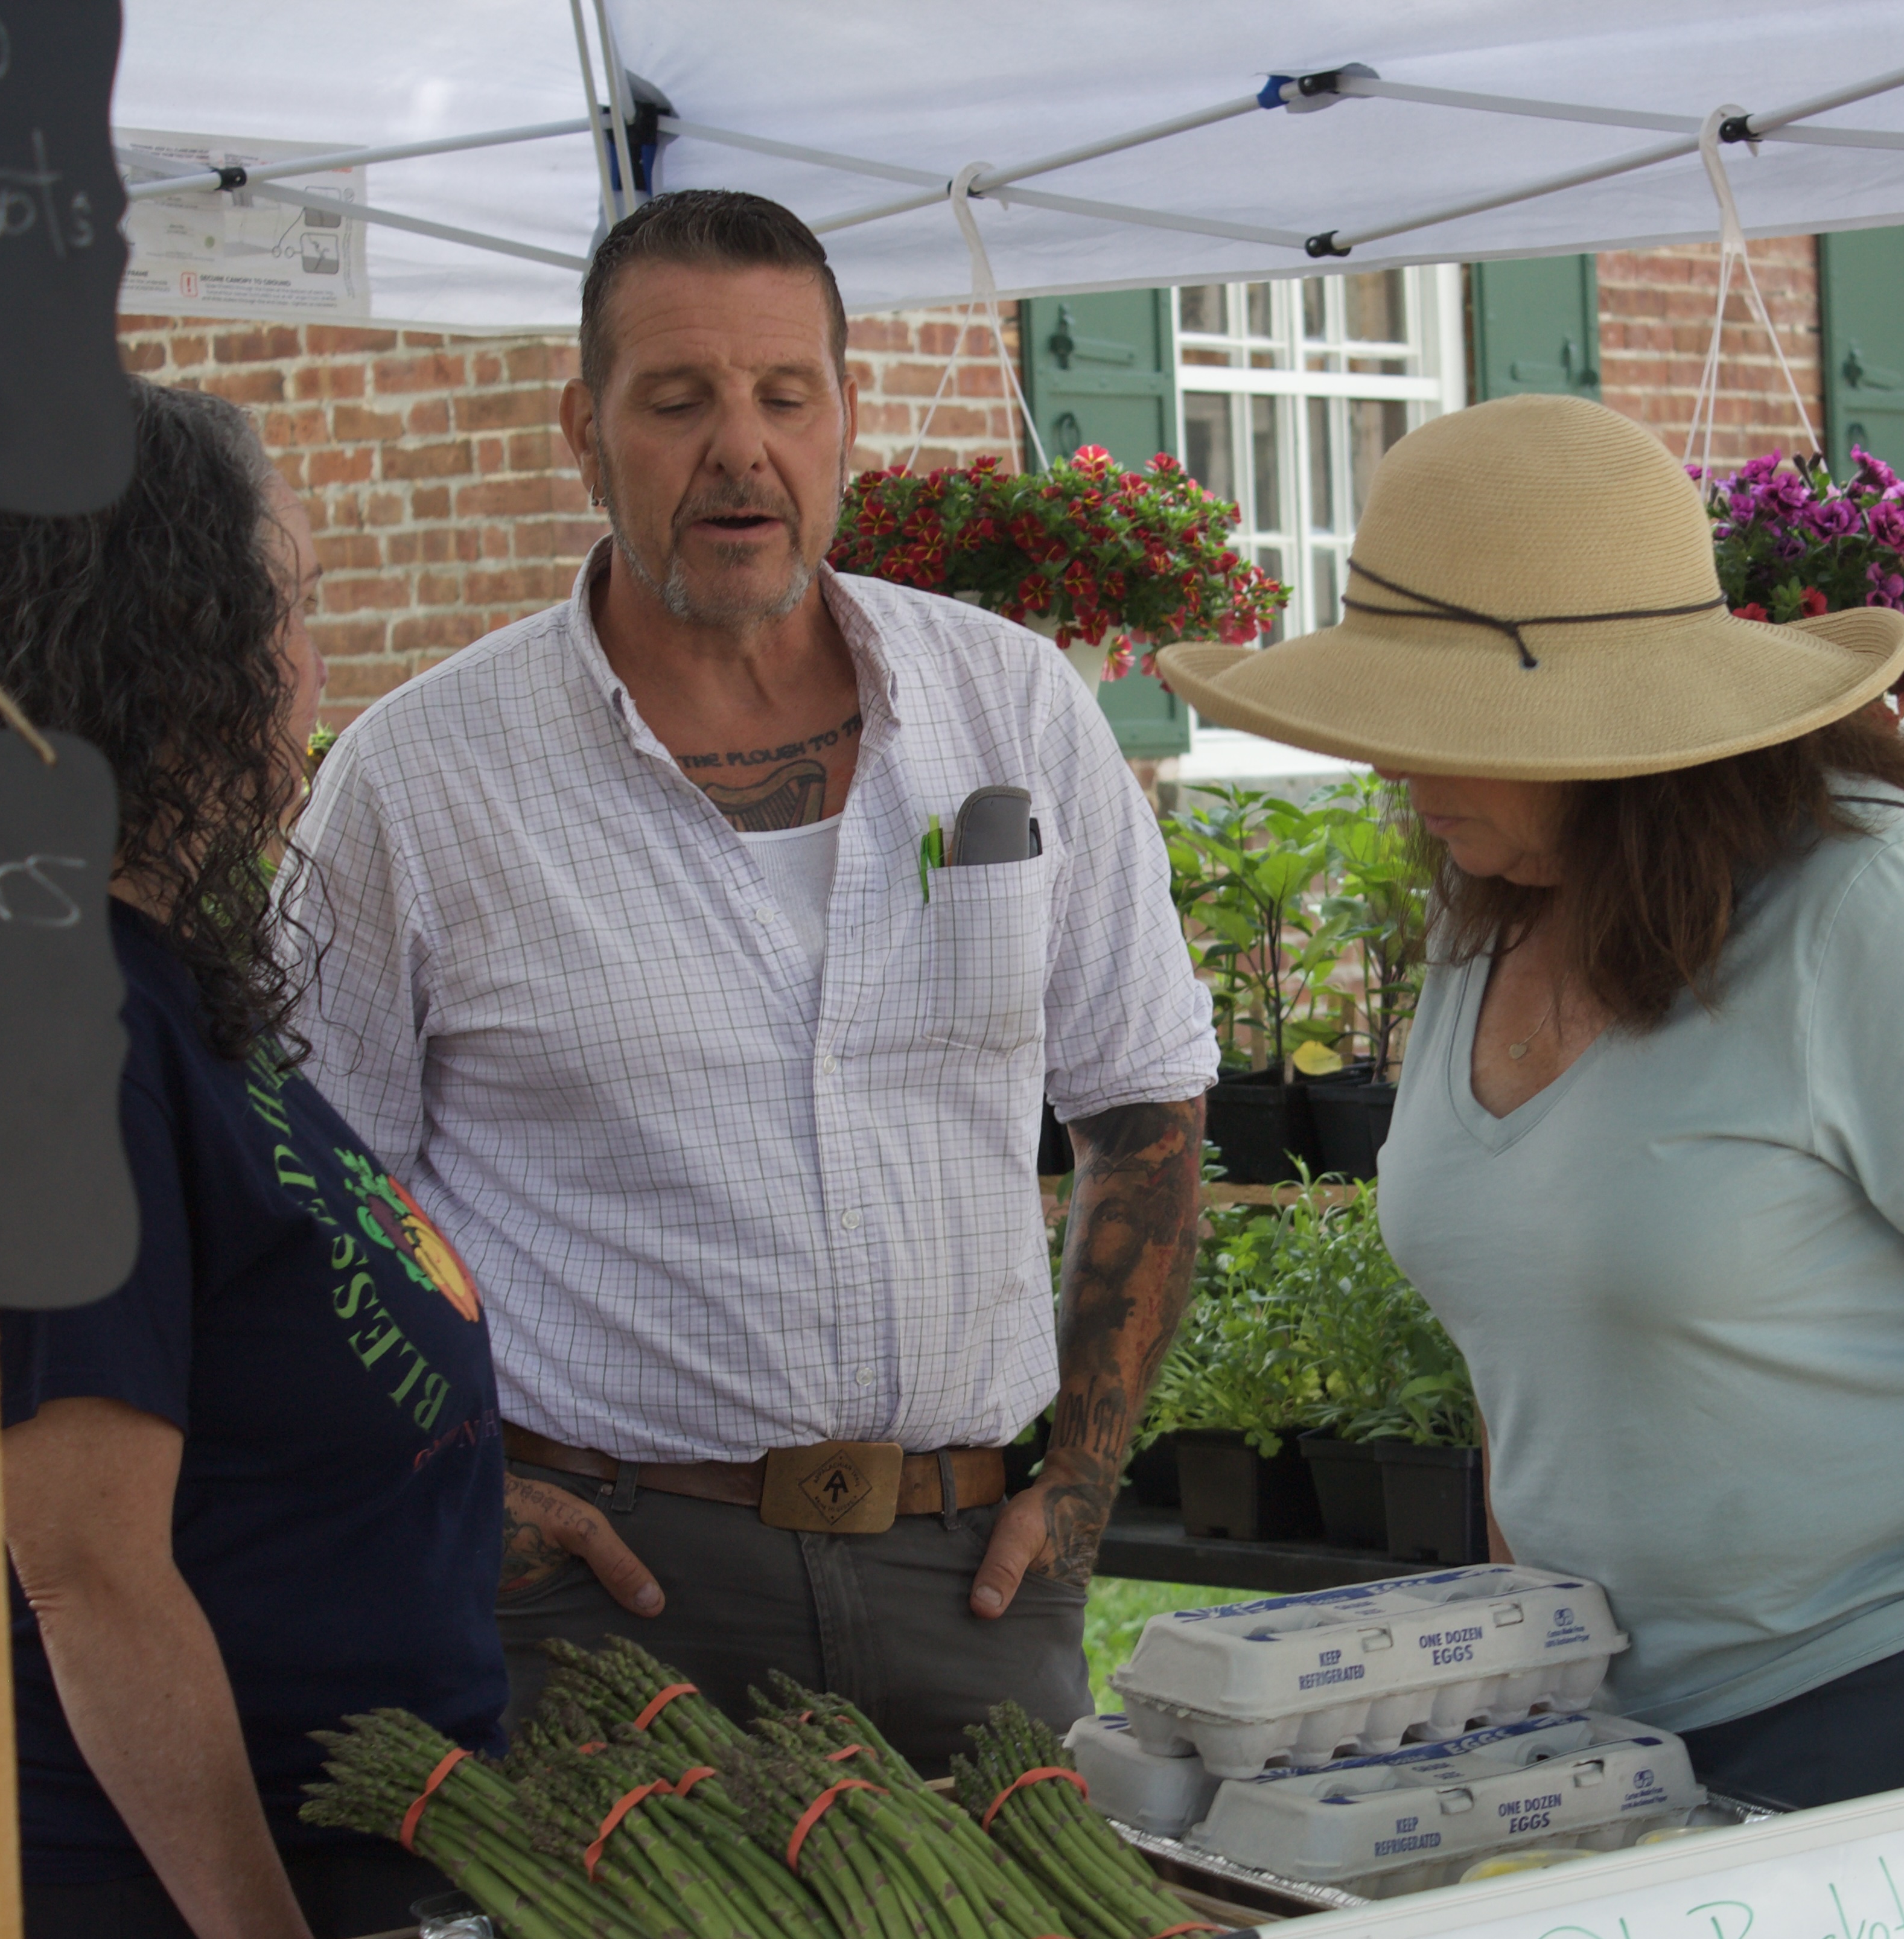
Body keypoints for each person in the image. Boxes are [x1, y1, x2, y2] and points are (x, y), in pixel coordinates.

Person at [1156, 394, 1904, 1939]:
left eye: (1431, 714)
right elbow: (1540, 1336)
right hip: (1634, 1728)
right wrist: (1530, 1701)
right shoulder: (1493, 914)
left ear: (1606, 729)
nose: (1389, 760)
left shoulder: (1869, 909)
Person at [285, 190, 1212, 1763]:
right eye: (677, 400)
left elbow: (1145, 1107)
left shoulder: (1015, 712)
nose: (741, 449)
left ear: (848, 415)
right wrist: (455, 1488)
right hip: (606, 1604)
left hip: (965, 1582)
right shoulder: (417, 783)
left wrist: (1080, 1486)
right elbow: (308, 1193)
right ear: (586, 429)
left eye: (788, 397)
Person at [0, 378, 508, 1939]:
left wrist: (439, 1478)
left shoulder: (160, 984)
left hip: (344, 1851)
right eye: (296, 610)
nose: (309, 670)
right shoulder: (64, 1024)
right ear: (181, 640)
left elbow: (244, 1368)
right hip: (173, 1934)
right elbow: (87, 1569)